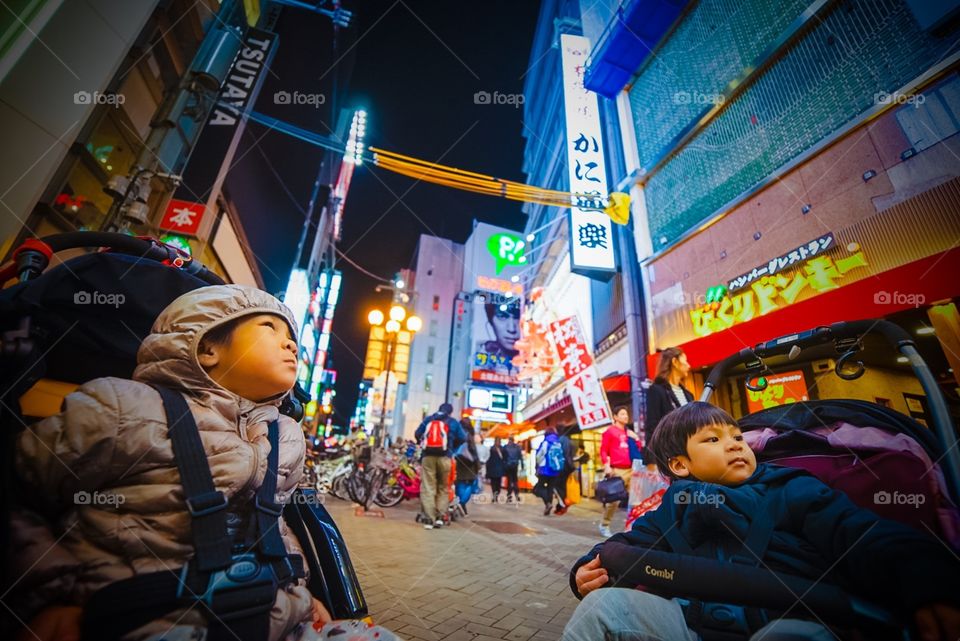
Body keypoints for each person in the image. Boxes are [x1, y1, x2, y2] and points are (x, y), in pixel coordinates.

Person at [10, 285, 398, 641]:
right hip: (143, 614)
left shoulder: (285, 435)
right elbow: (19, 493)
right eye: (270, 329)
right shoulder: (124, 408)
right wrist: (44, 600)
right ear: (207, 348)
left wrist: (301, 591)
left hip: (271, 611)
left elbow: (276, 525)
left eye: (293, 339)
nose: (291, 346)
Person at [564, 402, 960, 641]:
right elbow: (635, 540)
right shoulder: (675, 505)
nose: (735, 443)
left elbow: (860, 534)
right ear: (681, 465)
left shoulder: (790, 488)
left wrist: (924, 579)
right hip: (693, 625)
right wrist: (592, 564)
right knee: (604, 608)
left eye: (737, 435)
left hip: (791, 618)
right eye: (713, 439)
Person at [414, 402, 466, 529]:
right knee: (443, 488)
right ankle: (440, 518)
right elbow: (463, 437)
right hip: (445, 458)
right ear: (450, 412)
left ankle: (428, 519)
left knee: (428, 487)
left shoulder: (428, 419)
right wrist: (451, 448)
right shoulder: (453, 422)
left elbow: (417, 433)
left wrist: (421, 443)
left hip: (428, 457)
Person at [644, 346, 693, 465]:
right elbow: (652, 426)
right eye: (685, 360)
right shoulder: (656, 390)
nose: (688, 365)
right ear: (675, 362)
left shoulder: (688, 395)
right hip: (669, 456)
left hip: (690, 453)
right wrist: (652, 460)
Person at [598, 405, 642, 536]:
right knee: (614, 501)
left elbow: (638, 448)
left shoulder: (629, 432)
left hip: (632, 469)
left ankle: (634, 527)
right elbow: (603, 450)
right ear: (615, 417)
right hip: (618, 470)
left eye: (626, 414)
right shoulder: (610, 431)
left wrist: (636, 438)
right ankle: (604, 525)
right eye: (622, 414)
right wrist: (606, 465)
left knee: (636, 500)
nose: (626, 416)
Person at [535, 426, 572, 516]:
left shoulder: (546, 442)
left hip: (545, 470)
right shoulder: (558, 442)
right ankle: (548, 505)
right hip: (555, 470)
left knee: (538, 489)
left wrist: (538, 465)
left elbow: (539, 455)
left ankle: (548, 503)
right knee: (550, 489)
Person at [454, 421, 480, 514]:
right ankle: (461, 503)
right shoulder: (470, 435)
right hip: (470, 465)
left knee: (459, 484)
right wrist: (477, 466)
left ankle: (459, 504)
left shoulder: (458, 433)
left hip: (458, 462)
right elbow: (474, 452)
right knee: (468, 485)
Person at [503, 435, 523, 502]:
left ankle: (509, 497)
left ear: (509, 440)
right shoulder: (517, 447)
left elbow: (504, 457)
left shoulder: (506, 447)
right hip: (515, 466)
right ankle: (517, 495)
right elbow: (520, 457)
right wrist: (522, 465)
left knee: (509, 481)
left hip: (508, 466)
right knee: (515, 481)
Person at [486, 437, 506, 502]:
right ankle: (495, 496)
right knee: (497, 483)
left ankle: (495, 496)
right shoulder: (501, 449)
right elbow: (505, 459)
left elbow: (488, 460)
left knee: (494, 484)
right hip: (498, 469)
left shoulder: (492, 449)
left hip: (493, 469)